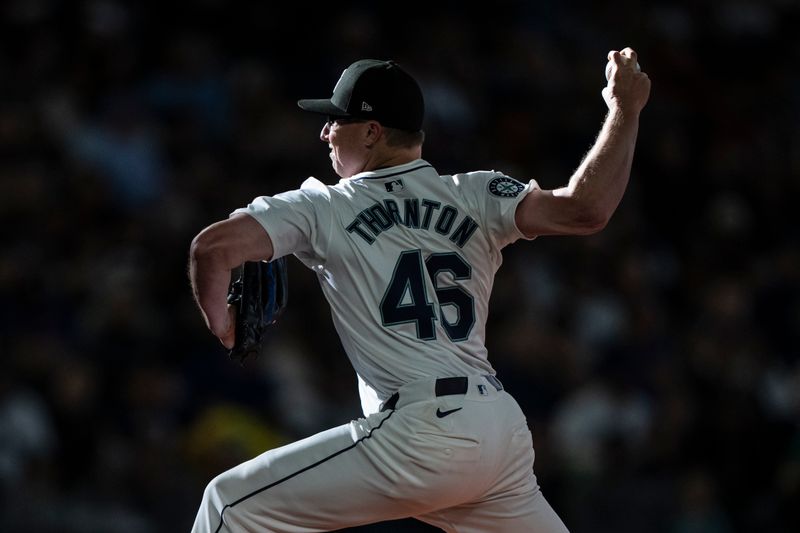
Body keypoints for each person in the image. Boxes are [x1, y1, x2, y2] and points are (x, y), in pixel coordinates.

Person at [188, 47, 651, 532]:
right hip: (498, 430)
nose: (325, 131)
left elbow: (211, 249)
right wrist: (624, 110)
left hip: (423, 432)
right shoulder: (477, 193)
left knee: (228, 505)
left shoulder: (322, 206)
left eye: (336, 120)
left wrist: (223, 327)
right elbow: (586, 210)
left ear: (372, 131)